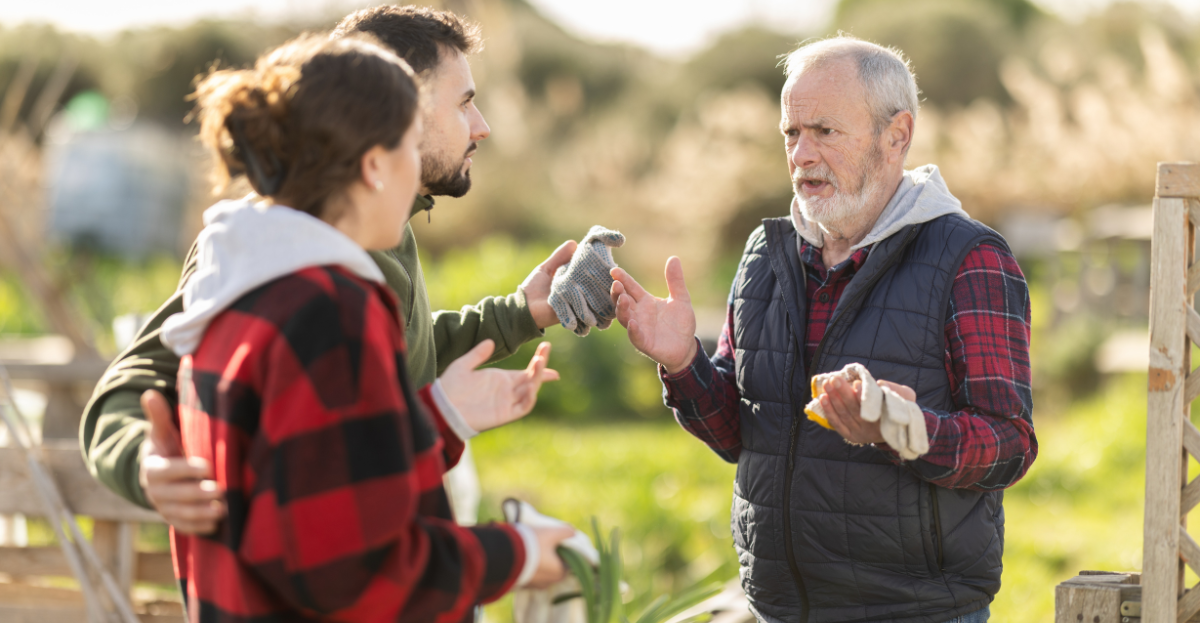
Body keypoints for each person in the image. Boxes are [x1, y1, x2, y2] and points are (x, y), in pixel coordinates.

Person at [80, 5, 578, 534]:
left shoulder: (387, 229)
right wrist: (145, 463)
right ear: (395, 110)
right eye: (464, 104)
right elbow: (131, 387)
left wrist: (521, 313)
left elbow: (401, 363)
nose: (481, 128)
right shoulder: (262, 247)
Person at [610, 35, 1036, 623]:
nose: (801, 155)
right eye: (791, 133)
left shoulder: (970, 257)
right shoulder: (766, 252)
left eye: (825, 132)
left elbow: (1011, 444)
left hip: (915, 613)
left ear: (897, 136)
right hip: (776, 609)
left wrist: (906, 430)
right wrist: (683, 364)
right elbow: (742, 434)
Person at [168, 33, 572, 621]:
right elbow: (354, 570)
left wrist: (438, 419)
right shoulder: (332, 309)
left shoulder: (237, 290)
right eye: (411, 145)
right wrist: (518, 552)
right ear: (376, 165)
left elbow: (301, 496)